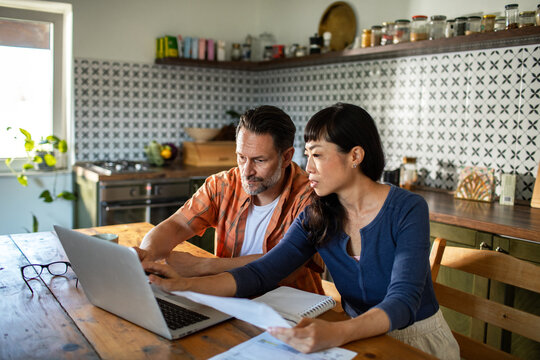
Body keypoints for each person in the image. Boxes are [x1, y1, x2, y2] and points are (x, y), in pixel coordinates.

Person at [142, 103, 459, 359]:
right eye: (308, 155)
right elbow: (261, 273)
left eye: (318, 155)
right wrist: (182, 285)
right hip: (356, 339)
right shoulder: (319, 214)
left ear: (355, 156)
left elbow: (402, 302)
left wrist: (337, 332)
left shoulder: (407, 209)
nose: (308, 167)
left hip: (415, 343)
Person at [135, 105, 324, 294]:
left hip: (291, 308)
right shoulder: (222, 185)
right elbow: (178, 224)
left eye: (259, 160)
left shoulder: (310, 196)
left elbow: (286, 266)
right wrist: (148, 254)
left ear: (286, 157)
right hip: (229, 299)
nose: (246, 171)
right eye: (241, 157)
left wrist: (204, 266)